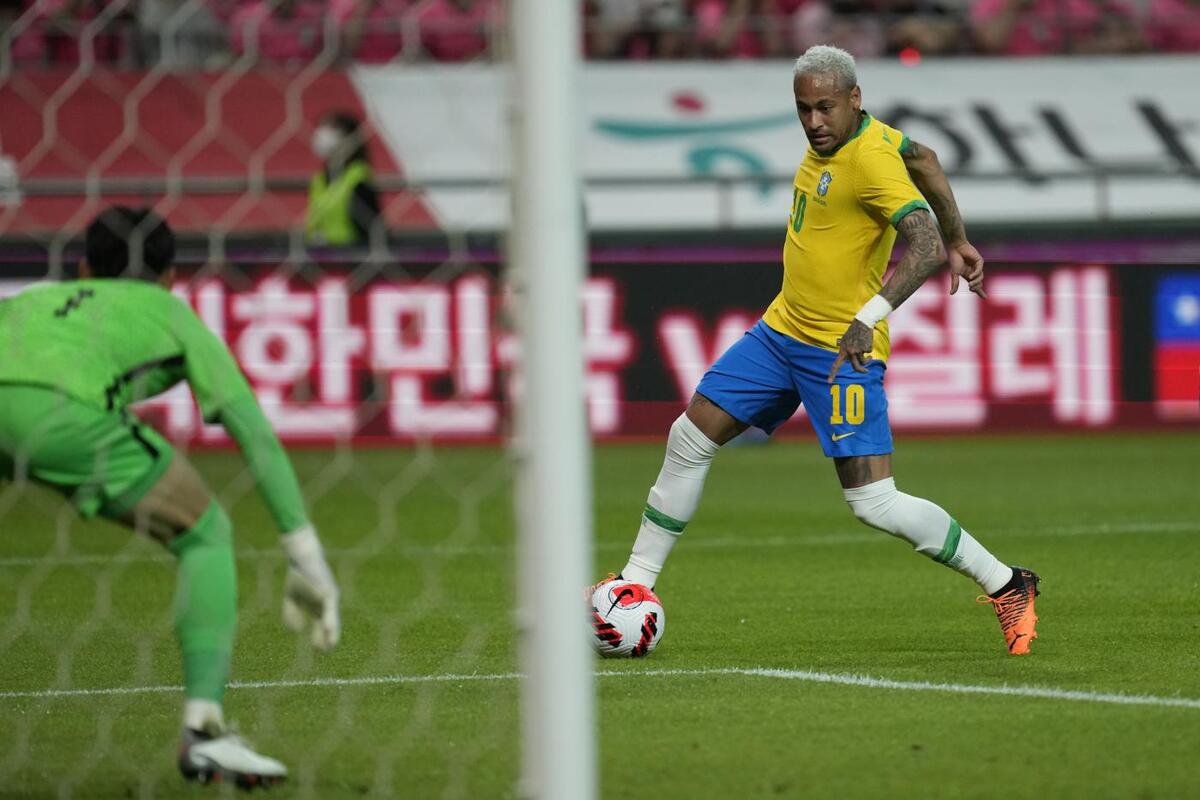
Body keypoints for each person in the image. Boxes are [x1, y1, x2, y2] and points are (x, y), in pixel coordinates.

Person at [598, 45, 1041, 656]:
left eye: (825, 108)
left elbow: (923, 246)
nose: (813, 122)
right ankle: (635, 586)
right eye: (803, 109)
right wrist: (963, 235)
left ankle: (1008, 583)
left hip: (841, 350)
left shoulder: (870, 161)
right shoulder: (870, 136)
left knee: (874, 502)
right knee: (689, 437)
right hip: (780, 331)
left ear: (855, 99)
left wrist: (873, 313)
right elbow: (926, 157)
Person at [0, 207, 342, 786]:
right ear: (168, 277)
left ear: (82, 268)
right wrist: (305, 553)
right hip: (61, 418)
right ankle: (204, 733)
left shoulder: (28, 300)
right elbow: (254, 435)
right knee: (204, 532)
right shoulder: (172, 313)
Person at [305, 111, 382, 247]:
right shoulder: (319, 179)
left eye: (332, 128)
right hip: (319, 253)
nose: (323, 135)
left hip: (350, 253)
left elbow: (369, 227)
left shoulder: (359, 177)